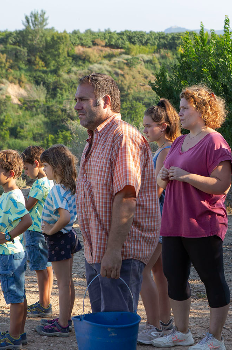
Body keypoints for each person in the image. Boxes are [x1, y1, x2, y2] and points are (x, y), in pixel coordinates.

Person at [152, 85, 232, 350]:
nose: (180, 113)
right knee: (174, 277)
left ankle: (215, 339)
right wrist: (162, 176)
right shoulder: (178, 141)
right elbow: (160, 181)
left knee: (212, 279)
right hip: (174, 222)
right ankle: (182, 333)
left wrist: (185, 176)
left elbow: (222, 185)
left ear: (201, 109)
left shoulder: (215, 141)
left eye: (185, 108)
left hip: (203, 222)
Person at [74, 73, 160, 314]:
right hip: (98, 252)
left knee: (116, 326)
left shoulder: (123, 137)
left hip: (119, 254)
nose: (76, 106)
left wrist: (113, 252)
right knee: (104, 327)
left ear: (106, 101)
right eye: (76, 99)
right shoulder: (95, 138)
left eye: (83, 99)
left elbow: (126, 198)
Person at [138, 99, 181, 344]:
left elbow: (157, 189)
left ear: (163, 126)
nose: (144, 130)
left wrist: (137, 212)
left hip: (158, 220)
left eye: (148, 126)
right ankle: (165, 323)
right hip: (164, 219)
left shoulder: (165, 150)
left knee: (142, 270)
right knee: (159, 273)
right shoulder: (166, 148)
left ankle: (154, 324)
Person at [0, 150, 32, 349]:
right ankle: (18, 333)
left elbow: (27, 221)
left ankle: (13, 339)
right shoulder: (8, 194)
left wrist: (7, 236)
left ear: (11, 173)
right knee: (19, 295)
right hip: (11, 253)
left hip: (9, 254)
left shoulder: (13, 196)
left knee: (14, 297)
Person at [36, 144, 82, 337]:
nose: (43, 170)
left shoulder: (57, 190)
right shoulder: (70, 185)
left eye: (45, 166)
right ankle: (66, 318)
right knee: (67, 282)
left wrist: (50, 230)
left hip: (59, 237)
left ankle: (62, 324)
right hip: (68, 236)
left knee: (63, 284)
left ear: (58, 167)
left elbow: (64, 216)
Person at [21, 146, 54, 318]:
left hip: (35, 231)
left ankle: (43, 304)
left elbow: (27, 206)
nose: (25, 172)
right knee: (47, 267)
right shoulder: (51, 180)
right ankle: (45, 302)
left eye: (26, 168)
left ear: (36, 163)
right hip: (46, 229)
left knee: (40, 269)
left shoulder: (40, 184)